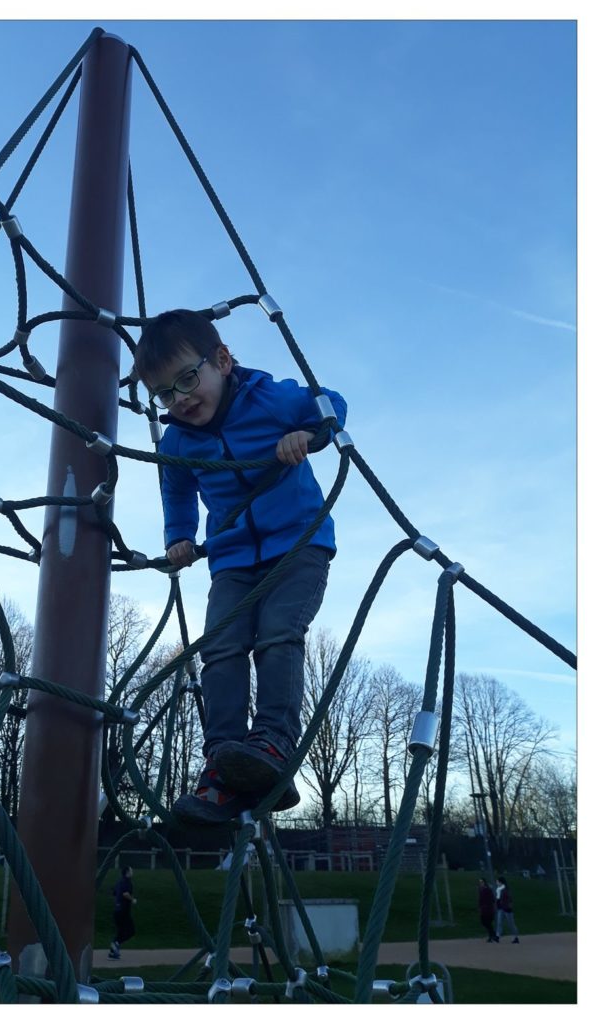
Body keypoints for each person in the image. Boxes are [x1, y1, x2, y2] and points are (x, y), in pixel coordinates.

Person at [134, 309, 347, 825]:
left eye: (188, 379)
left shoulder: (268, 399)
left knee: (277, 632)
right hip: (231, 558)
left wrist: (309, 434)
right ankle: (223, 762)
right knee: (221, 647)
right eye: (164, 393)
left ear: (222, 361)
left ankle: (273, 743)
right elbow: (176, 488)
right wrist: (179, 536)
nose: (180, 399)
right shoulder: (178, 441)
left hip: (298, 544)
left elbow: (330, 403)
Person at [108, 865, 137, 959]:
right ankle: (115, 943)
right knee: (131, 931)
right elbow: (125, 893)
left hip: (117, 911)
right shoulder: (127, 882)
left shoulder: (119, 882)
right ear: (127, 872)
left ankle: (112, 954)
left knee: (120, 932)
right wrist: (132, 900)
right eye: (131, 871)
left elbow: (114, 893)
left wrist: (118, 902)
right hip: (123, 911)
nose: (132, 872)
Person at [495, 875, 520, 942]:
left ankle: (516, 937)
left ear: (501, 882)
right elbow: (498, 899)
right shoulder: (498, 889)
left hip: (507, 909)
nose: (496, 883)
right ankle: (497, 936)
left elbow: (509, 899)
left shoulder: (506, 889)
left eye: (497, 881)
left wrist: (509, 906)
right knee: (499, 923)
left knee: (511, 924)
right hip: (500, 908)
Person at [478, 877, 498, 942]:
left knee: (487, 922)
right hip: (484, 909)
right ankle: (492, 935)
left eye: (482, 882)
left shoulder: (487, 890)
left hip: (488, 909)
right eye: (480, 882)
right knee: (485, 922)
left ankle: (492, 935)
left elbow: (492, 899)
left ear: (484, 883)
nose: (480, 883)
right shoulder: (482, 890)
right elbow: (480, 900)